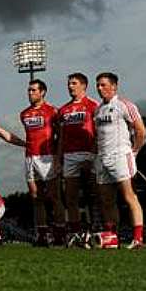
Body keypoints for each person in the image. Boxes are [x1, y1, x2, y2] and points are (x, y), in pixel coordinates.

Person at [94, 72, 146, 249]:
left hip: (120, 155)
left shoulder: (125, 105)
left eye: (103, 85)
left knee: (128, 196)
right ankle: (112, 237)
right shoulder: (98, 110)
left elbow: (141, 131)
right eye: (98, 85)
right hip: (102, 157)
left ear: (114, 86)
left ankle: (138, 238)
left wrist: (134, 151)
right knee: (106, 200)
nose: (100, 89)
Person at [56, 72, 101, 242]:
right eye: (69, 83)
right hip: (69, 156)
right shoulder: (63, 110)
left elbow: (98, 132)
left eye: (74, 83)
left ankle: (97, 228)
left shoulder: (93, 105)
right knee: (71, 196)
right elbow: (60, 137)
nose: (70, 86)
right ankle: (75, 232)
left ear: (84, 85)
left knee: (94, 194)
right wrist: (59, 158)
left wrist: (95, 154)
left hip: (89, 154)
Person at [20, 79, 65, 246]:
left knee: (54, 196)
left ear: (43, 92)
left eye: (33, 90)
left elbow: (60, 137)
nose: (30, 93)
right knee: (36, 197)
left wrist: (58, 157)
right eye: (29, 90)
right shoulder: (24, 114)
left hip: (47, 157)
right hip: (30, 157)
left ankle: (60, 233)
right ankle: (42, 234)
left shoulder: (53, 111)